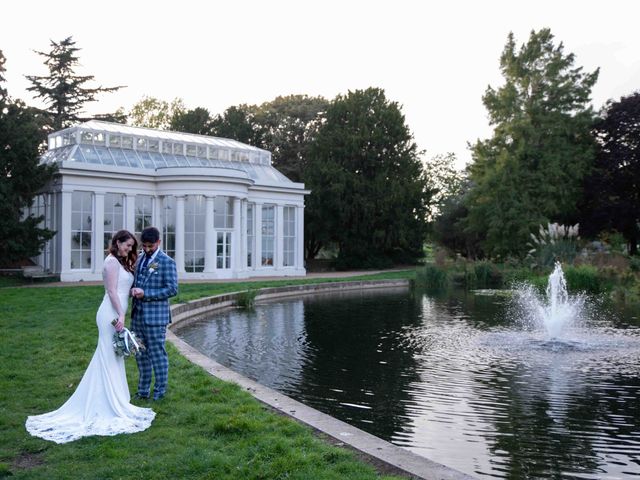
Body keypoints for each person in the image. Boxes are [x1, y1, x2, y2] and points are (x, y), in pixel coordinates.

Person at [25, 230, 155, 443]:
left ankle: (115, 399)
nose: (129, 249)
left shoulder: (121, 261)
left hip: (117, 311)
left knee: (113, 357)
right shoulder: (112, 262)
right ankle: (105, 402)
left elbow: (124, 287)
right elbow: (112, 291)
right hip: (111, 314)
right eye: (127, 245)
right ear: (117, 242)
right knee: (108, 356)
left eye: (132, 246)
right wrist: (121, 314)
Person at [130, 226, 178, 401]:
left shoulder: (167, 262)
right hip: (137, 316)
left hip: (156, 318)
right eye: (144, 246)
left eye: (151, 246)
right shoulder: (140, 259)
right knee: (140, 355)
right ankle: (142, 392)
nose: (147, 249)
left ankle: (159, 392)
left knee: (157, 355)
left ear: (159, 242)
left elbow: (173, 289)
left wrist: (146, 295)